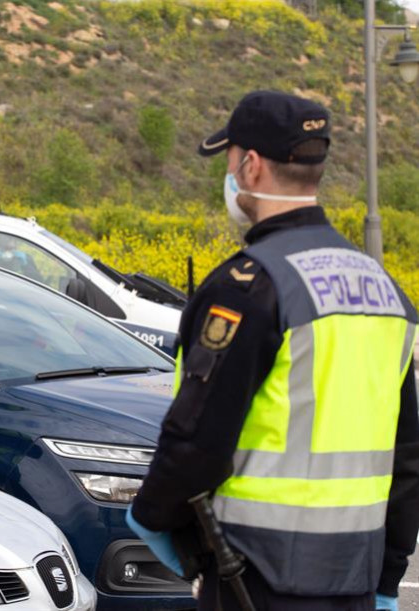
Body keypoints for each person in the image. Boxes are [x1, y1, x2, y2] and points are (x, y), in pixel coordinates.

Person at [125, 91, 419, 611]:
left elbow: (200, 438)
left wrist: (151, 515)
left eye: (231, 161)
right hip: (355, 575)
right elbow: (407, 455)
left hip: (256, 576)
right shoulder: (386, 290)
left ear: (251, 166)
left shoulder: (249, 288)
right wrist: (388, 577)